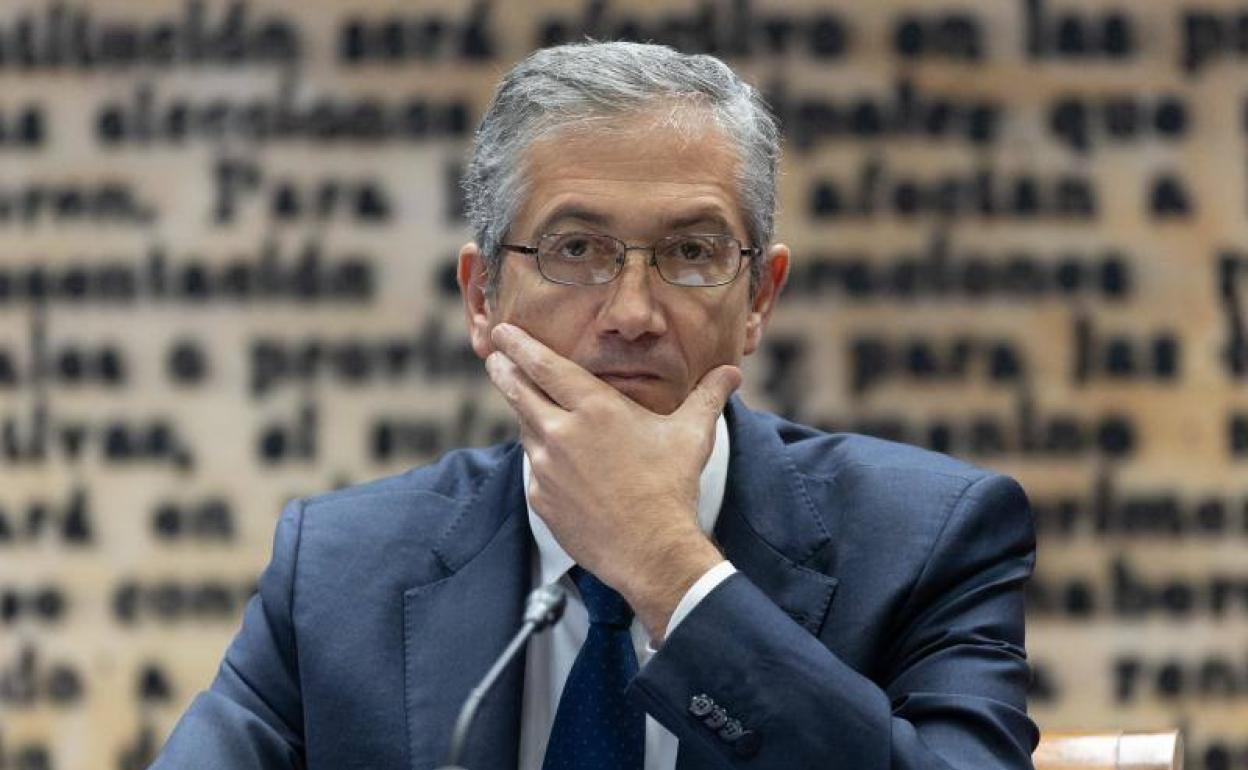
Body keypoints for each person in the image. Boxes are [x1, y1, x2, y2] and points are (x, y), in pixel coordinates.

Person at [150, 42, 1038, 770]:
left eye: (691, 251)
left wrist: (669, 569)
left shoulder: (932, 539)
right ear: (482, 298)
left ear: (760, 299)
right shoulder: (339, 570)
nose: (633, 316)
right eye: (577, 249)